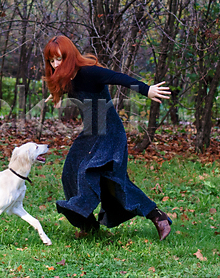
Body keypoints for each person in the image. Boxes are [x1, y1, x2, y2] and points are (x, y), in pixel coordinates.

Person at [43, 35, 172, 240]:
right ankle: (88, 226)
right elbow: (61, 87)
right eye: (51, 60)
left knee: (104, 178)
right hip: (90, 134)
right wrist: (55, 94)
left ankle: (158, 217)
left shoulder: (90, 72)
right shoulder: (66, 77)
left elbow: (119, 78)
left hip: (110, 133)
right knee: (69, 173)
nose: (55, 64)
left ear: (69, 56)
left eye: (59, 59)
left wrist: (147, 90)